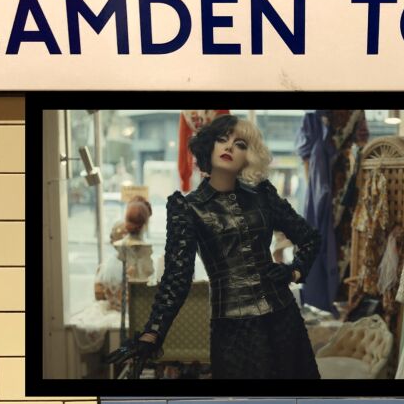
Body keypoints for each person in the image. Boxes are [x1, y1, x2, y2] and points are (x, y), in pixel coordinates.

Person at [106, 114, 322, 379]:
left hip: (283, 319)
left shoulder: (263, 195)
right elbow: (176, 277)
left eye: (240, 144)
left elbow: (310, 238)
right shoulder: (187, 208)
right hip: (232, 328)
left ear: (249, 156)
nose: (230, 147)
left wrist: (294, 272)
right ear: (209, 146)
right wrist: (153, 332)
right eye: (222, 139)